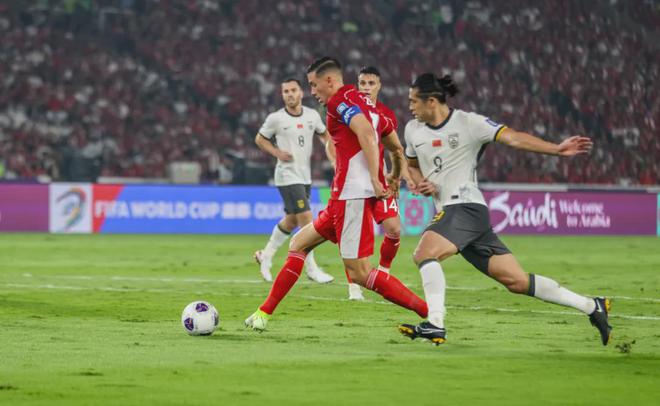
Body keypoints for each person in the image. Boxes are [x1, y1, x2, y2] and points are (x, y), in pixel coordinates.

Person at [398, 73, 612, 346]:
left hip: (465, 205)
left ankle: (436, 324)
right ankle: (592, 306)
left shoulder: (469, 123)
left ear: (431, 101)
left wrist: (556, 150)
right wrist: (421, 182)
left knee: (424, 253)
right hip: (458, 214)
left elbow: (514, 138)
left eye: (413, 101)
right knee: (517, 282)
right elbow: (412, 166)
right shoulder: (413, 130)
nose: (410, 107)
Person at [245, 57, 428, 331]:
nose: (312, 92)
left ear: (329, 81)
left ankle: (430, 312)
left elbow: (366, 134)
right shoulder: (369, 104)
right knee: (298, 245)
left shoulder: (338, 102)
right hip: (340, 199)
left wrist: (377, 179)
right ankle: (263, 314)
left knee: (361, 274)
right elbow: (396, 148)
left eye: (313, 85)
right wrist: (394, 175)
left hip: (352, 197)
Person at [253, 78, 335, 284]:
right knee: (306, 218)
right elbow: (260, 139)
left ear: (301, 93)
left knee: (291, 221)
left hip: (304, 175)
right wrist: (277, 153)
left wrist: (333, 157)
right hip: (287, 175)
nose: (290, 94)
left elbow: (325, 136)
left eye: (293, 90)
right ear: (282, 95)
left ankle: (266, 255)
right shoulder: (276, 118)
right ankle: (312, 268)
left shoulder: (312, 115)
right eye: (286, 91)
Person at [343, 66, 406, 301]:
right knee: (353, 237)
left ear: (379, 86)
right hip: (353, 182)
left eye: (371, 83)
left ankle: (383, 273)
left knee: (394, 228)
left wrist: (395, 176)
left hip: (379, 180)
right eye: (362, 83)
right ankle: (354, 286)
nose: (366, 88)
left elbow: (394, 149)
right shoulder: (349, 110)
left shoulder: (386, 115)